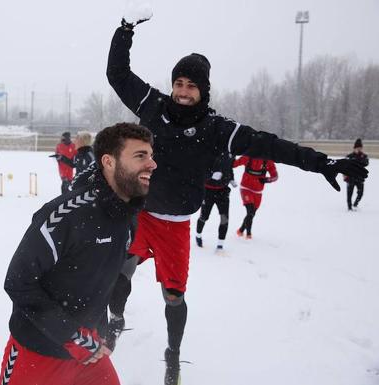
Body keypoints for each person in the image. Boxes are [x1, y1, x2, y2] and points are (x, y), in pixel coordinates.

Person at [106, 17, 368, 384]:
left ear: (203, 90)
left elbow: (271, 145)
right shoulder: (154, 106)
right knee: (121, 272)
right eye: (178, 83)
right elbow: (117, 73)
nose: (182, 91)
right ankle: (115, 320)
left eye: (191, 86)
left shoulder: (217, 128)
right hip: (143, 214)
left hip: (177, 226)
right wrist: (125, 29)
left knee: (174, 297)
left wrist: (321, 162)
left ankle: (173, 355)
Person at [0, 123, 156, 385]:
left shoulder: (128, 217)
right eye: (140, 156)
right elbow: (18, 282)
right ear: (108, 161)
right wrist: (72, 335)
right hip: (38, 351)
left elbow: (103, 276)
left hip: (89, 353)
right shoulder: (64, 216)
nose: (151, 164)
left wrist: (102, 326)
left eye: (151, 156)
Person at [196, 153, 236, 251]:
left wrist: (230, 178)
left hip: (223, 191)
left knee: (224, 218)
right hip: (208, 191)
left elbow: (229, 168)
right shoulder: (211, 151)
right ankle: (198, 235)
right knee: (204, 216)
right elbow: (201, 168)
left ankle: (220, 244)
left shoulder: (230, 153)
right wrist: (210, 175)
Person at [233, 156, 278, 239]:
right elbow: (234, 164)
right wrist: (229, 157)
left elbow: (275, 177)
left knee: (251, 214)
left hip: (258, 192)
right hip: (245, 188)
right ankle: (248, 235)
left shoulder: (267, 161)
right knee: (250, 212)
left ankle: (241, 230)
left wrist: (266, 180)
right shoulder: (248, 157)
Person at [345, 138, 369, 211]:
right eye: (357, 148)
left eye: (360, 148)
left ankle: (355, 204)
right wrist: (345, 176)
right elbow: (344, 166)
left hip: (360, 177)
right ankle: (349, 207)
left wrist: (361, 157)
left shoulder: (364, 156)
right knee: (349, 193)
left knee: (360, 193)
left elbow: (366, 163)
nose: (359, 149)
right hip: (350, 177)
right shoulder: (349, 156)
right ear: (354, 148)